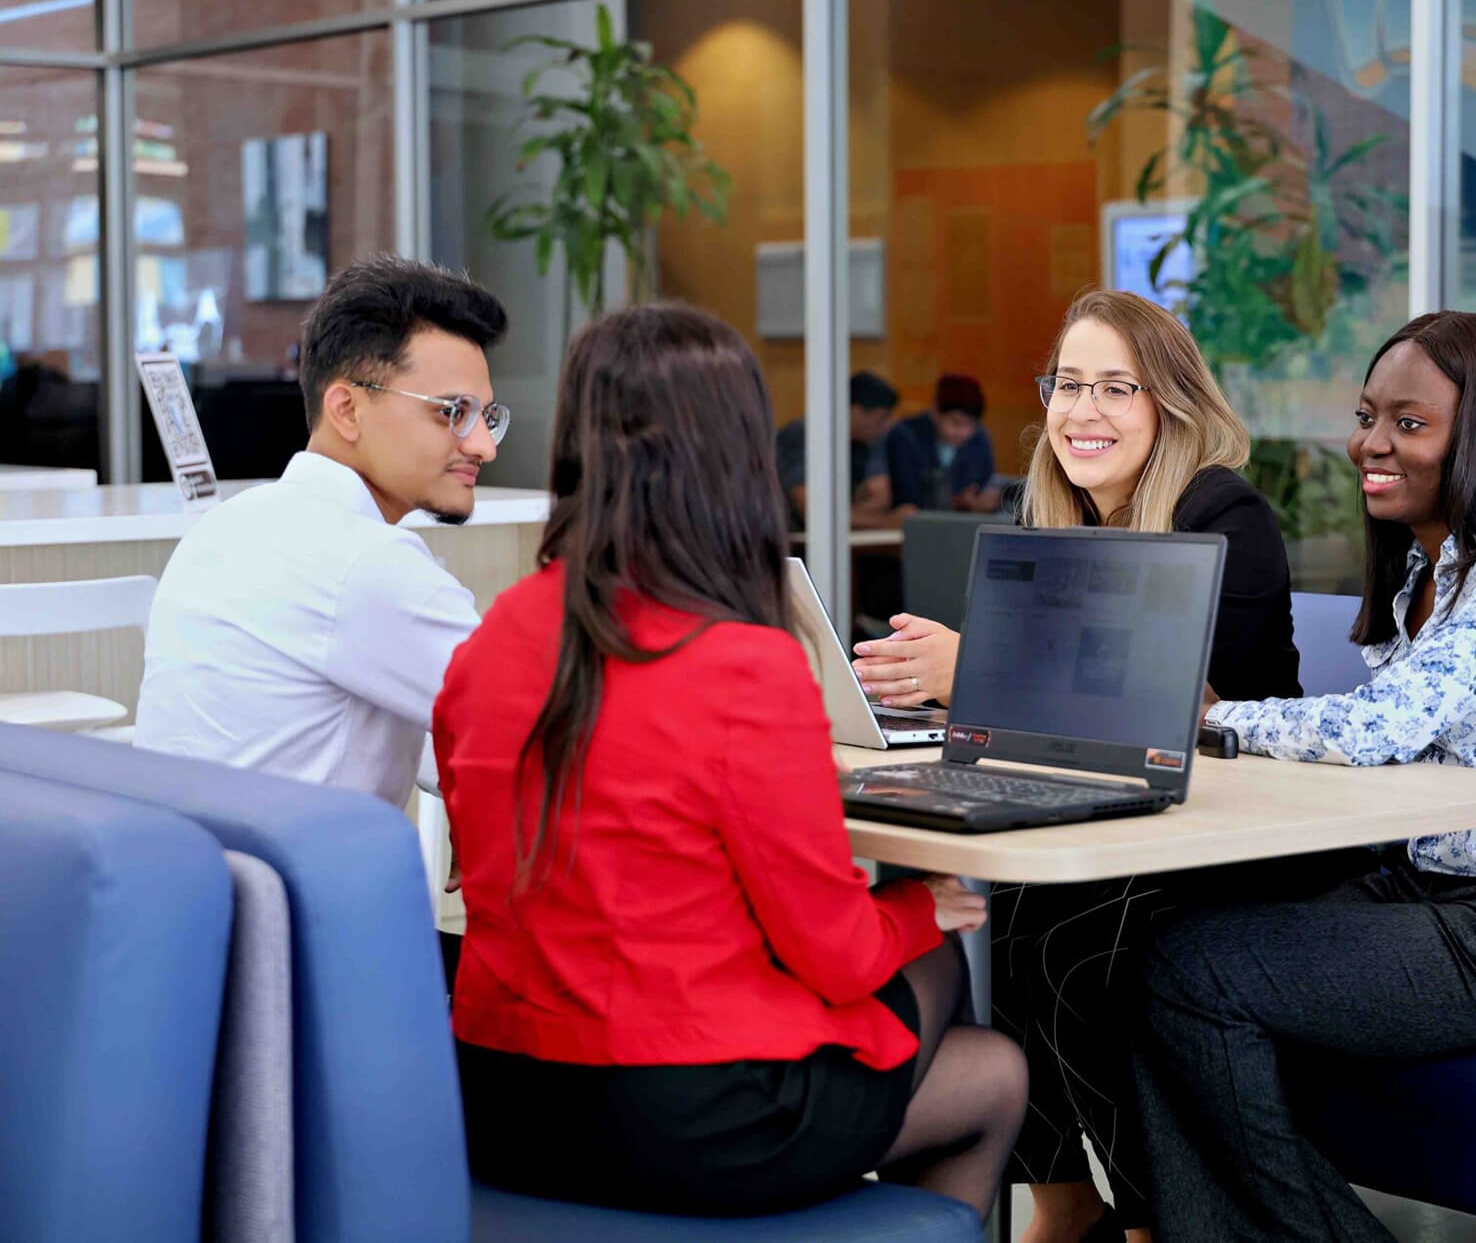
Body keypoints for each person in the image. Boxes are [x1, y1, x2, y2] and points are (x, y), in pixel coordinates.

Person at [434, 303, 1027, 1222]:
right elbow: (834, 955)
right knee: (987, 1057)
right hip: (691, 1115)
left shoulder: (490, 639)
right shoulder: (742, 663)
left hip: (502, 1100)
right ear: (734, 460)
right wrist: (920, 906)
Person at [1130, 310, 1476, 1242]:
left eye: (1408, 424)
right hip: (1440, 886)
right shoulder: (1426, 561)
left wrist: (1211, 718)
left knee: (1195, 973)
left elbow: (1386, 726)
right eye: (1368, 415)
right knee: (1154, 944)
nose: (1369, 443)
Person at [852, 289, 1301, 1243]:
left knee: (1070, 934)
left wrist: (974, 670)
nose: (1081, 411)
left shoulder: (1226, 512)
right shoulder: (1048, 515)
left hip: (1248, 834)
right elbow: (1056, 733)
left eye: (1114, 387)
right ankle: (1062, 1203)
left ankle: (1146, 1217)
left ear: (1169, 404)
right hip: (1122, 824)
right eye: (1066, 384)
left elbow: (1161, 703)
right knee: (1011, 908)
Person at [134, 254, 508, 807]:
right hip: (296, 888)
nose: (484, 446)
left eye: (486, 416)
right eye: (452, 412)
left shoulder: (227, 527)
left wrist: (465, 775)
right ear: (347, 410)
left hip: (195, 879)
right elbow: (541, 726)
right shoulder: (368, 564)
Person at [776, 370, 907, 530]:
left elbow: (881, 498)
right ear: (856, 411)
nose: (887, 426)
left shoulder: (868, 441)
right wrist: (884, 522)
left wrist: (845, 515)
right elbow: (811, 510)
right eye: (882, 418)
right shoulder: (807, 435)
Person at [883, 374, 1003, 512]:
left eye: (971, 424)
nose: (963, 432)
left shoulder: (979, 439)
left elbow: (986, 484)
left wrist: (985, 501)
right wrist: (957, 503)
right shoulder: (905, 436)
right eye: (955, 422)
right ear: (935, 410)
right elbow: (906, 500)